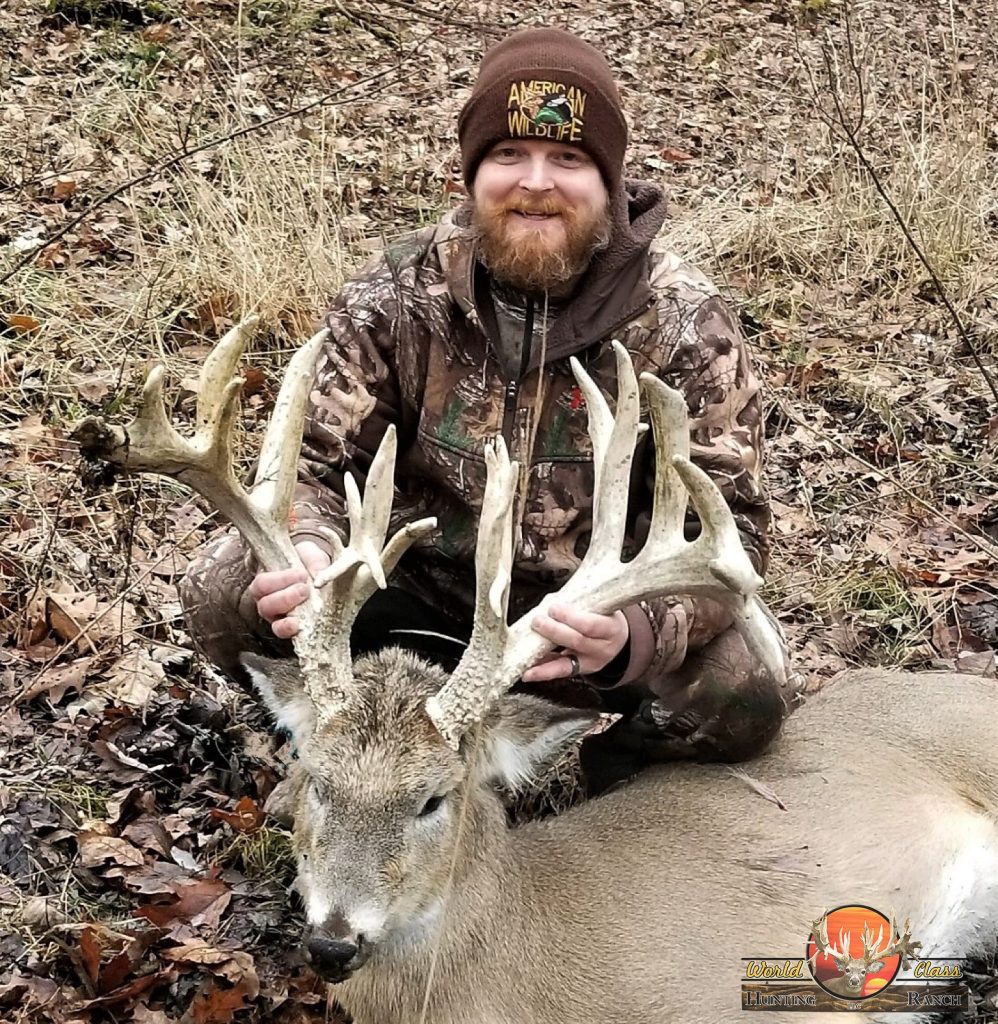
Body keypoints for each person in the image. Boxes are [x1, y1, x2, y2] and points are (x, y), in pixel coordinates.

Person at [179, 26, 794, 791]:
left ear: (608, 178)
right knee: (223, 582)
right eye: (508, 155)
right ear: (473, 174)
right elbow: (313, 462)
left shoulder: (683, 323)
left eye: (567, 158)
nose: (536, 181)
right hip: (417, 604)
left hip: (574, 631)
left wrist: (633, 629)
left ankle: (602, 788)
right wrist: (309, 547)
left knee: (747, 692)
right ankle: (340, 761)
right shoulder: (397, 296)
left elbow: (733, 531)